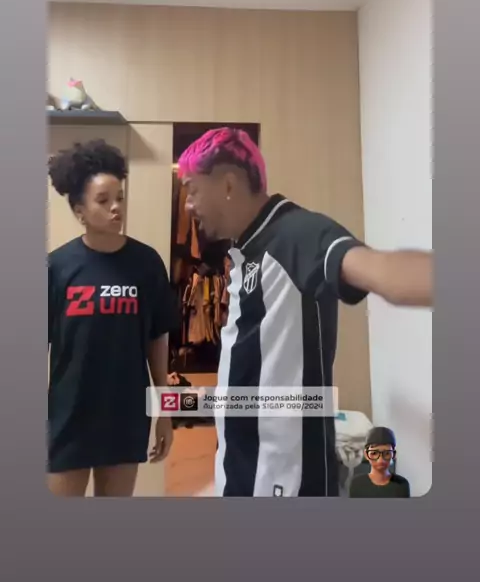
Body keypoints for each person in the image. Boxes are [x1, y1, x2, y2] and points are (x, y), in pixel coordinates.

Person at [177, 127, 433, 498]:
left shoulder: (297, 233)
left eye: (192, 190)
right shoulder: (246, 250)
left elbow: (386, 274)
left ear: (228, 184)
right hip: (243, 474)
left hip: (287, 481)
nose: (188, 204)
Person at [47, 139, 179, 497]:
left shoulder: (146, 264)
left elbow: (157, 340)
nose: (116, 207)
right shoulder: (56, 267)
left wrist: (164, 410)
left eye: (119, 197)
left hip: (125, 413)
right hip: (68, 414)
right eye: (103, 201)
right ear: (80, 211)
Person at [349, 427, 410, 498]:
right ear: (366, 454)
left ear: (393, 454)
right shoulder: (357, 484)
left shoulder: (402, 484)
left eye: (386, 453)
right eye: (374, 453)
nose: (380, 460)